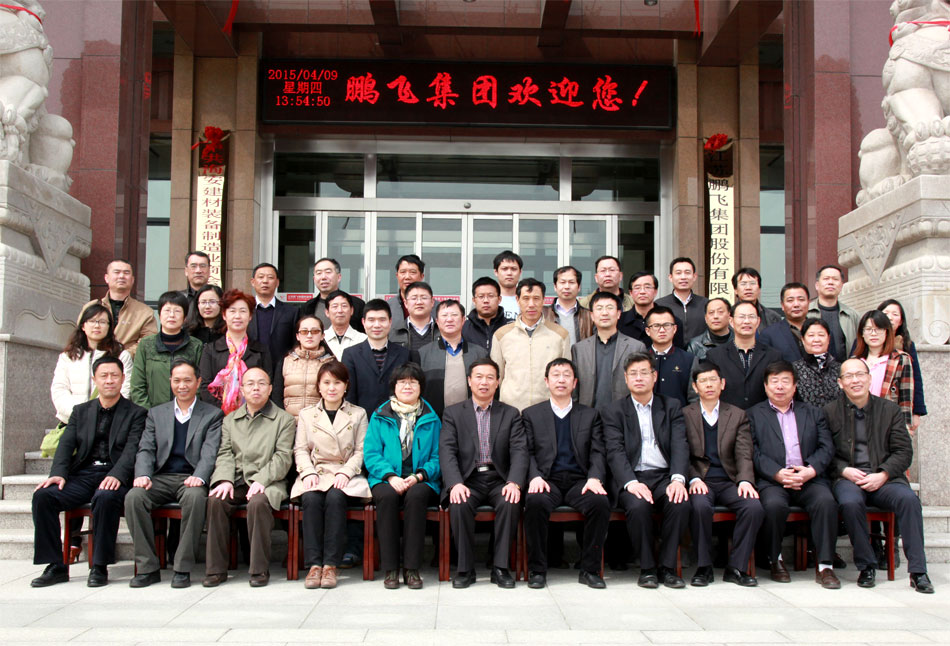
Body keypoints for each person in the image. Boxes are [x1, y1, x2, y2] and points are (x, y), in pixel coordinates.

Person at [30, 356, 146, 588]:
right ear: (95, 380)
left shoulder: (136, 413)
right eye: (104, 376)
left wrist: (117, 474)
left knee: (105, 497)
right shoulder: (81, 411)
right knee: (43, 496)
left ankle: (99, 566)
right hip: (83, 475)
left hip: (115, 475)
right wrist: (58, 473)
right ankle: (56, 565)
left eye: (114, 376)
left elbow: (132, 449)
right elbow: (66, 445)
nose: (109, 380)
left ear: (123, 378)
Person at [825, 358, 933, 593]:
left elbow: (903, 451)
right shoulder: (829, 412)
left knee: (909, 500)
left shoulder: (890, 410)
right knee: (850, 502)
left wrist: (883, 474)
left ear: (869, 378)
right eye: (849, 376)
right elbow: (824, 452)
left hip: (885, 479)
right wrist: (843, 470)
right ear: (840, 383)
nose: (855, 380)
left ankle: (918, 571)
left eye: (860, 374)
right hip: (848, 478)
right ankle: (866, 566)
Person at [124, 359, 223, 588]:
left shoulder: (212, 415)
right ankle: (147, 567)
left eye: (187, 380)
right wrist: (143, 474)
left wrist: (200, 476)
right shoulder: (156, 414)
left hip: (191, 478)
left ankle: (182, 567)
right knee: (134, 497)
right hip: (160, 477)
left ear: (198, 382)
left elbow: (210, 452)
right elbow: (146, 448)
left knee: (196, 498)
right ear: (170, 381)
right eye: (177, 380)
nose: (182, 385)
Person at [746, 361, 839, 588]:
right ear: (766, 386)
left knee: (826, 502)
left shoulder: (813, 413)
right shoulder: (753, 414)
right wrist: (777, 473)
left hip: (808, 477)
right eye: (774, 381)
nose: (780, 386)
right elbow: (752, 451)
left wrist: (810, 470)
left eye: (785, 381)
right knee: (773, 506)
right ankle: (774, 559)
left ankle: (825, 566)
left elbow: (826, 447)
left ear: (795, 386)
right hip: (773, 480)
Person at [602, 352, 690, 589]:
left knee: (679, 502)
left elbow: (680, 445)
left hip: (663, 476)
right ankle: (648, 568)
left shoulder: (671, 406)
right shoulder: (614, 411)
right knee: (638, 506)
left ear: (654, 376)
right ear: (626, 378)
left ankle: (668, 568)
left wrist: (678, 479)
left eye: (644, 372)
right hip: (632, 477)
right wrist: (631, 482)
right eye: (633, 374)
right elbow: (615, 452)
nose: (639, 378)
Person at [522, 358, 610, 589]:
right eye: (556, 375)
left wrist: (594, 477)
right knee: (535, 502)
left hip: (579, 481)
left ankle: (590, 570)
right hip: (546, 480)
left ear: (575, 382)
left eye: (566, 375)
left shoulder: (590, 415)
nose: (561, 380)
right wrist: (534, 476)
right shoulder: (531, 414)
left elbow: (598, 451)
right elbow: (526, 452)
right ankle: (537, 570)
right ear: (546, 381)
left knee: (599, 503)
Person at [203, 367, 295, 587]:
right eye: (250, 384)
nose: (256, 388)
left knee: (258, 502)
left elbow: (282, 458)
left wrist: (261, 480)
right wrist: (224, 479)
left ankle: (258, 570)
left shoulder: (284, 420)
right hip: (237, 479)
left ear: (270, 389)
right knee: (216, 500)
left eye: (261, 383)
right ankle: (215, 570)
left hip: (269, 481)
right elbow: (225, 453)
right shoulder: (230, 420)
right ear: (242, 389)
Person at [440, 358, 527, 589]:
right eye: (478, 377)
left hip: (500, 478)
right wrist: (455, 483)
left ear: (497, 382)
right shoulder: (453, 413)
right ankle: (465, 569)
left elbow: (519, 451)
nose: (484, 382)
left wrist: (514, 482)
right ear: (469, 381)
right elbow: (447, 451)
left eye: (490, 378)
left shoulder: (510, 414)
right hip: (468, 479)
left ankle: (500, 568)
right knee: (459, 503)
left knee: (510, 502)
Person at [290, 360, 371, 589]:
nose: (331, 388)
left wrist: (346, 472)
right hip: (316, 471)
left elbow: (361, 450)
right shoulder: (307, 414)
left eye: (337, 382)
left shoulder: (358, 413)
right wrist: (307, 473)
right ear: (318, 386)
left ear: (346, 385)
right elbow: (300, 449)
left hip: (346, 473)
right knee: (311, 499)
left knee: (336, 498)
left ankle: (330, 565)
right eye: (326, 383)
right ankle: (314, 565)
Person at [684, 362, 764, 587]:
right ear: (695, 387)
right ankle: (704, 567)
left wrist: (745, 480)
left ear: (722, 384)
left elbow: (744, 452)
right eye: (703, 381)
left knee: (753, 507)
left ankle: (736, 567)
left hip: (729, 480)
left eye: (713, 380)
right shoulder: (685, 414)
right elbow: (682, 453)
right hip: (701, 480)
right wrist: (694, 478)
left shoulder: (737, 415)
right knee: (699, 506)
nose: (709, 385)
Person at [364, 363, 441, 589]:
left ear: (420, 387)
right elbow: (371, 453)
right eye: (402, 382)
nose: (407, 386)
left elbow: (438, 456)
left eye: (413, 382)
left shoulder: (431, 417)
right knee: (387, 497)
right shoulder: (380, 415)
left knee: (416, 497)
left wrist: (418, 476)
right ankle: (390, 569)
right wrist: (390, 476)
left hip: (421, 479)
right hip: (386, 478)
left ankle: (412, 568)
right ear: (394, 386)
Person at [490, 278, 571, 411]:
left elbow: (566, 376)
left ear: (544, 300)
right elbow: (497, 376)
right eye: (526, 298)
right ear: (517, 300)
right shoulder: (502, 335)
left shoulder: (560, 335)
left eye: (536, 298)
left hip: (547, 409)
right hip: (511, 410)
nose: (531, 304)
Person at [52, 305, 133, 428]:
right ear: (83, 326)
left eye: (102, 322)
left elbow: (125, 390)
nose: (97, 326)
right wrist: (79, 414)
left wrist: (101, 416)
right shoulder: (68, 356)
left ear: (109, 327)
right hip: (73, 422)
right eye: (92, 321)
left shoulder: (121, 355)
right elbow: (59, 390)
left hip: (107, 424)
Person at [199, 289, 273, 413]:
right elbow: (205, 387)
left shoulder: (261, 350)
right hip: (217, 416)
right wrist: (223, 413)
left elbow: (267, 383)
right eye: (232, 311)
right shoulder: (210, 350)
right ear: (224, 315)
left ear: (250, 316)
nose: (237, 316)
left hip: (254, 414)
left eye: (243, 311)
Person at [572, 291, 647, 412]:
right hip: (588, 415)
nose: (604, 313)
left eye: (609, 308)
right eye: (599, 308)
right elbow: (575, 389)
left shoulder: (636, 347)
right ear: (592, 315)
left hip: (624, 415)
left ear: (618, 314)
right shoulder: (579, 349)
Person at [130, 291, 204, 409]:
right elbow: (137, 385)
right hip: (151, 413)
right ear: (159, 315)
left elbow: (200, 384)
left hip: (187, 412)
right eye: (167, 310)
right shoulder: (145, 344)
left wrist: (188, 409)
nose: (172, 315)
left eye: (177, 311)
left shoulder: (196, 345)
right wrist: (150, 413)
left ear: (185, 317)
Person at [705, 301, 783, 409]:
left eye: (751, 317)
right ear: (731, 321)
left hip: (763, 416)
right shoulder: (715, 356)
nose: (746, 321)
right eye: (741, 317)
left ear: (758, 321)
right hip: (727, 416)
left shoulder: (773, 356)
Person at [342, 299, 415, 414]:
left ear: (390, 322)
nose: (377, 325)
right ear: (363, 322)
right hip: (362, 419)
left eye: (382, 320)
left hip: (396, 418)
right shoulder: (350, 354)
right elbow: (349, 394)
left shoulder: (404, 354)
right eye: (371, 320)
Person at [418, 299, 488, 417]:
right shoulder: (423, 353)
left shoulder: (479, 353)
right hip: (434, 419)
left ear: (463, 320)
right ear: (437, 321)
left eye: (454, 315)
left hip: (472, 418)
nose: (449, 319)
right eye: (444, 315)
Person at [80, 259, 157, 357]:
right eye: (117, 272)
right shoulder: (91, 307)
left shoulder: (145, 312)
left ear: (132, 280)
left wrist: (124, 355)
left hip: (127, 363)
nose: (121, 276)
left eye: (126, 273)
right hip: (92, 361)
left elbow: (148, 342)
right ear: (106, 278)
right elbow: (79, 336)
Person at [851, 310, 914, 431]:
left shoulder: (900, 359)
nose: (873, 333)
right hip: (858, 423)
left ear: (886, 332)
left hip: (888, 423)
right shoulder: (855, 361)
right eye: (868, 329)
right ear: (862, 333)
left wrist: (905, 428)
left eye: (879, 329)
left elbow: (906, 399)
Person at [271, 315, 334, 419]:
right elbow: (276, 396)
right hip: (289, 423)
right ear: (297, 336)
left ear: (322, 335)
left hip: (320, 423)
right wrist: (284, 421)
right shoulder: (285, 361)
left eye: (315, 331)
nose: (309, 335)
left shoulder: (331, 363)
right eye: (304, 332)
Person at [879, 299, 926, 434]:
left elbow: (916, 378)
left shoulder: (907, 345)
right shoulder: (864, 341)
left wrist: (917, 412)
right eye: (886, 313)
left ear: (900, 321)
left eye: (895, 314)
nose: (890, 317)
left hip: (898, 404)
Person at [645, 305, 698, 407]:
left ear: (674, 329)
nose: (662, 330)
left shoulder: (689, 360)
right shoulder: (640, 359)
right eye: (656, 326)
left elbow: (694, 399)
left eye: (667, 325)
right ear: (648, 331)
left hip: (679, 415)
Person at [248, 262, 299, 363]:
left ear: (277, 283)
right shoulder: (245, 310)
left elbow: (296, 344)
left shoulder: (291, 312)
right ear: (253, 282)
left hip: (281, 367)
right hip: (249, 367)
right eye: (261, 277)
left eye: (270, 277)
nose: (265, 281)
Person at [808, 264, 860, 362]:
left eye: (835, 279)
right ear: (817, 285)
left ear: (841, 286)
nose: (830, 282)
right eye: (826, 279)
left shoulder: (852, 315)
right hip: (811, 369)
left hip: (844, 368)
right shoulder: (806, 313)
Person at [619, 272, 685, 348]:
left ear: (655, 291)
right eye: (637, 288)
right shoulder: (619, 321)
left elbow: (678, 352)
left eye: (647, 287)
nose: (642, 292)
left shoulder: (672, 322)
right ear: (631, 293)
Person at [300, 257, 365, 333]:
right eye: (319, 273)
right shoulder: (307, 307)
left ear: (339, 277)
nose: (323, 277)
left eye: (328, 272)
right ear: (314, 279)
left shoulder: (356, 304)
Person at [792, 318, 842, 408]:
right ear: (803, 339)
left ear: (828, 339)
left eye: (821, 335)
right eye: (811, 335)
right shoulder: (794, 369)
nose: (816, 339)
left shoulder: (840, 368)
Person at [655, 257, 708, 341]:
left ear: (694, 276)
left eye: (687, 273)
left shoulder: (706, 304)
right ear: (670, 277)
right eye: (678, 273)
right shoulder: (659, 305)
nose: (683, 277)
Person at [758, 282, 810, 362]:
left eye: (801, 299)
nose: (796, 304)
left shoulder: (821, 331)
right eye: (790, 300)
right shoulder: (769, 334)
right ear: (782, 305)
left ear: (808, 302)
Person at [542, 265, 593, 346]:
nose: (567, 287)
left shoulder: (590, 316)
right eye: (562, 282)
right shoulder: (543, 314)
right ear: (555, 286)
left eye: (571, 282)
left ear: (579, 287)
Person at [462, 276, 507, 352]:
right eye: (481, 296)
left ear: (499, 299)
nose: (486, 300)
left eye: (490, 296)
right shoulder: (464, 328)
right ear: (474, 300)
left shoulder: (510, 327)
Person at [390, 281, 438, 352]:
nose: (419, 302)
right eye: (414, 298)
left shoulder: (443, 331)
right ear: (406, 303)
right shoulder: (393, 332)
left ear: (432, 302)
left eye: (424, 298)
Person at [386, 254, 425, 335]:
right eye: (403, 272)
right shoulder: (387, 307)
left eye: (412, 272)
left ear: (422, 276)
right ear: (397, 276)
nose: (407, 277)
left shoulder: (436, 308)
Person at [324, 290, 367, 359]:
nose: (340, 310)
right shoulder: (321, 339)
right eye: (335, 306)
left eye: (344, 306)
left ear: (351, 310)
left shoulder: (363, 339)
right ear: (327, 312)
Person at [493, 250, 523, 321]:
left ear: (520, 272)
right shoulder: (486, 299)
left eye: (514, 269)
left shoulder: (526, 300)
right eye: (504, 269)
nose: (509, 273)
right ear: (496, 272)